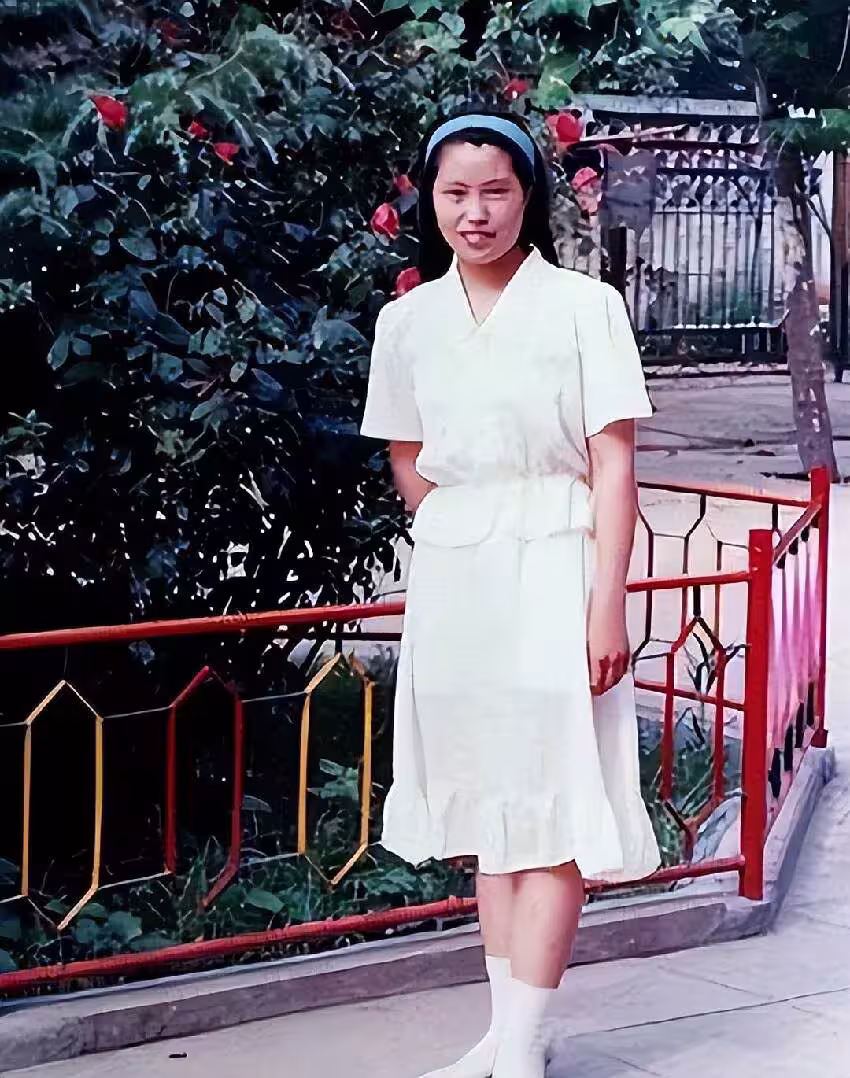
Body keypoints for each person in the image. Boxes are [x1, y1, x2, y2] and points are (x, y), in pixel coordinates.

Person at [360, 108, 661, 1078]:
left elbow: (614, 463)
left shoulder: (584, 308)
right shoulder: (407, 322)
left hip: (558, 564)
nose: (475, 212)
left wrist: (605, 602)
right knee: (492, 809)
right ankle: (503, 1032)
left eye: (495, 191)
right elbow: (407, 454)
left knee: (553, 801)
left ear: (527, 196)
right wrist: (466, 522)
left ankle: (525, 1042)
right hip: (460, 578)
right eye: (455, 193)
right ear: (431, 201)